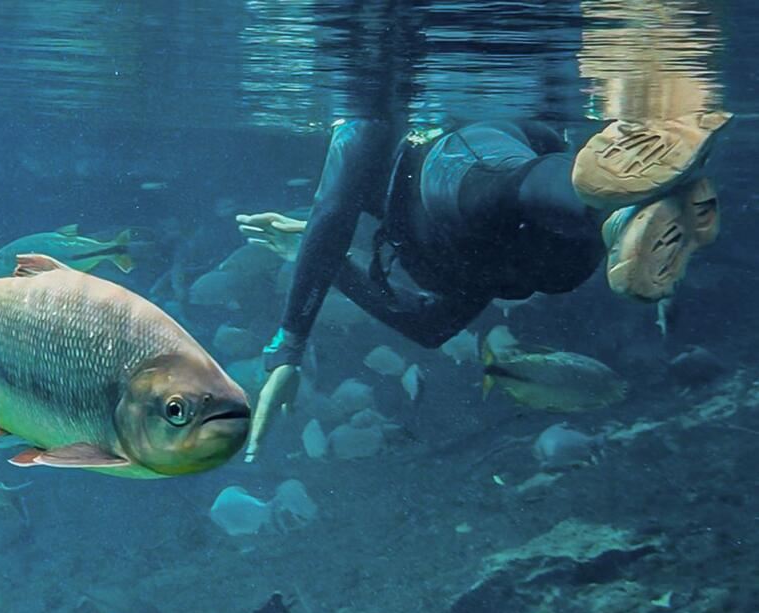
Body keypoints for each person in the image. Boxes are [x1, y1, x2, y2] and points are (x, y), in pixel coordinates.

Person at [239, 111, 733, 461]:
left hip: (471, 172)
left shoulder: (363, 117)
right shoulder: (426, 238)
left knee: (501, 185)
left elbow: (332, 211)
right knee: (514, 198)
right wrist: (331, 264)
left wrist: (288, 348)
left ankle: (624, 193)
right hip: (535, 255)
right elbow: (430, 327)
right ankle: (626, 214)